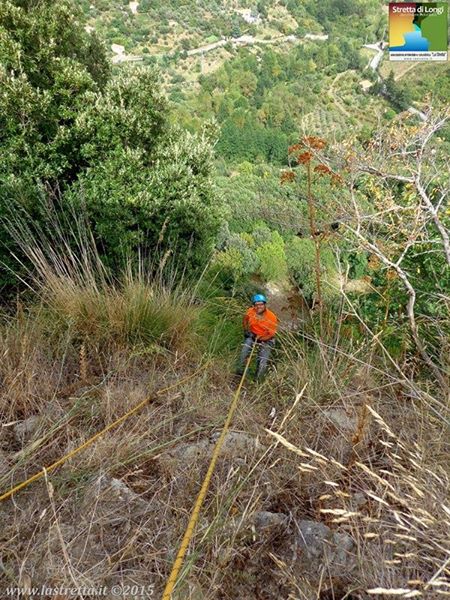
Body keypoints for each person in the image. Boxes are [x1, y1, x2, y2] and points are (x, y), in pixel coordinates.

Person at [236, 294, 278, 381]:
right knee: (244, 352)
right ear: (253, 305)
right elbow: (245, 319)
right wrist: (246, 331)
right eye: (256, 305)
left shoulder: (271, 317)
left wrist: (259, 339)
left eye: (261, 304)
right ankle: (240, 373)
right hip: (252, 335)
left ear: (265, 305)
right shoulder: (250, 311)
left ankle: (257, 380)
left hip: (267, 339)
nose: (259, 307)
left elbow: (271, 334)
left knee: (262, 361)